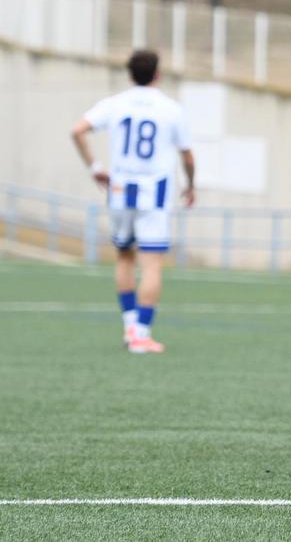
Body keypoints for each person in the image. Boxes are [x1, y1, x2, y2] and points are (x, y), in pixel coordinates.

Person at [70, 49, 196, 354]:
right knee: (152, 263)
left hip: (119, 191)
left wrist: (95, 168)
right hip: (154, 194)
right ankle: (141, 333)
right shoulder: (171, 109)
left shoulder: (115, 103)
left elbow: (78, 131)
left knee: (125, 257)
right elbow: (187, 155)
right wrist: (191, 185)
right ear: (158, 74)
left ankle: (129, 326)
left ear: (130, 74)